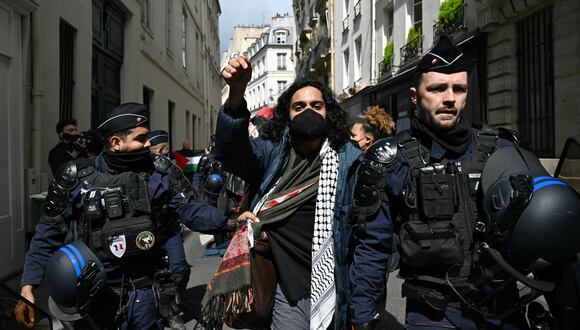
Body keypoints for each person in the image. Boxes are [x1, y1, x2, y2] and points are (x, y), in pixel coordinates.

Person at [349, 36, 580, 329]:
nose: (449, 98)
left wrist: (569, 313)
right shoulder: (393, 160)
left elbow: (552, 233)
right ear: (414, 95)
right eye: (437, 88)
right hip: (433, 315)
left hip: (502, 311)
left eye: (458, 89)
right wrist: (365, 317)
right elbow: (373, 246)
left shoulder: (502, 150)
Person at [15, 103, 232, 329]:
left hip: (145, 294)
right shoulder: (75, 177)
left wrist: (228, 221)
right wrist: (28, 286)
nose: (149, 143)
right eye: (141, 138)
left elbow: (191, 209)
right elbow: (47, 231)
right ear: (116, 143)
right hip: (94, 296)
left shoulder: (160, 171)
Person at [217, 56, 362, 330]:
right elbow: (230, 152)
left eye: (316, 105)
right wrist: (236, 94)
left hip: (334, 279)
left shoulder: (348, 161)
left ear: (328, 113)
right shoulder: (272, 154)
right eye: (299, 106)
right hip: (285, 284)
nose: (308, 112)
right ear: (287, 115)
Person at [147, 129, 190, 329]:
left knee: (179, 267)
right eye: (160, 149)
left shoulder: (170, 168)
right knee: (154, 275)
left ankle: (175, 302)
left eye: (165, 148)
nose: (164, 152)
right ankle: (166, 310)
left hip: (170, 226)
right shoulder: (143, 170)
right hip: (149, 231)